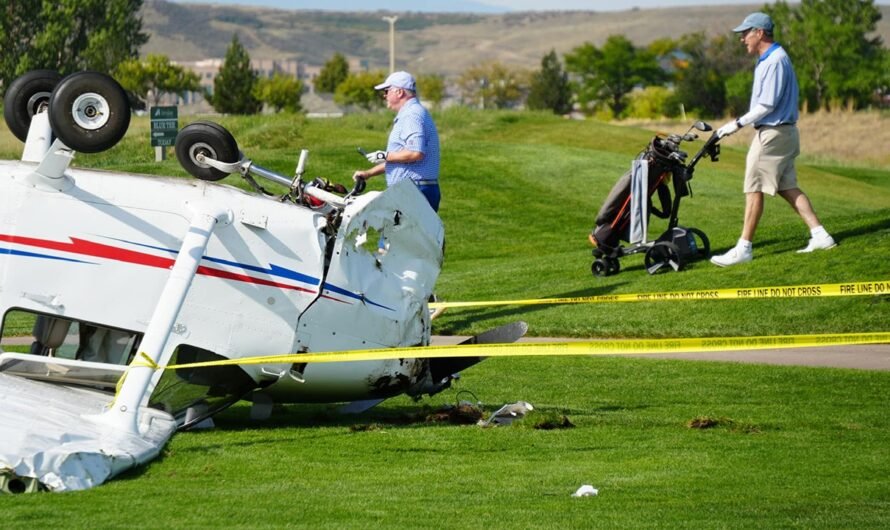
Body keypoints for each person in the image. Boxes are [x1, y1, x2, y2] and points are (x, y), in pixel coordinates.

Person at [710, 12, 836, 267]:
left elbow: (767, 104)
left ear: (760, 32)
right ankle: (820, 235)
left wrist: (734, 125)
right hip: (782, 132)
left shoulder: (775, 60)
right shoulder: (768, 59)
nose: (742, 38)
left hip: (774, 133)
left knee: (754, 187)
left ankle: (744, 247)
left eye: (746, 33)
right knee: (787, 186)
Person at [353, 71, 441, 212]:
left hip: (412, 191)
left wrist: (384, 155)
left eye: (387, 91)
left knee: (394, 234)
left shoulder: (411, 115)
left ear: (399, 92)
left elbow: (415, 153)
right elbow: (402, 158)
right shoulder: (413, 112)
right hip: (414, 189)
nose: (384, 95)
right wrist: (368, 173)